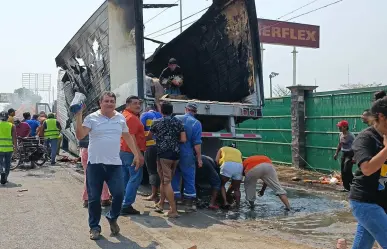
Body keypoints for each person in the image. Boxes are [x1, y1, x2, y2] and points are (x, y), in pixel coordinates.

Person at [75, 91, 143, 240]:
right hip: (95, 165)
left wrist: (136, 154)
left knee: (119, 194)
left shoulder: (120, 118)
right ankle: (94, 227)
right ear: (101, 103)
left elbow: (127, 136)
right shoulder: (91, 118)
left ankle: (112, 217)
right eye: (106, 101)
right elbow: (80, 135)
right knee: (94, 199)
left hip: (114, 165)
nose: (110, 103)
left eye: (112, 101)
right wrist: (78, 115)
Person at [350, 96, 387, 248]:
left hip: (382, 201)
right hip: (366, 202)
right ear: (381, 117)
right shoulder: (365, 138)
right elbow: (367, 169)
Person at [150, 102, 186, 218]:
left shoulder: (156, 122)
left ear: (161, 111)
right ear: (172, 110)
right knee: (164, 180)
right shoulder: (178, 122)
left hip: (163, 155)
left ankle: (173, 210)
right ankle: (160, 204)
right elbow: (183, 139)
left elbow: (149, 136)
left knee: (166, 182)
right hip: (175, 155)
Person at [172, 103, 202, 211]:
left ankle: (175, 201)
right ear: (195, 112)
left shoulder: (175, 118)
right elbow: (197, 144)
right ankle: (189, 204)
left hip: (174, 152)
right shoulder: (196, 123)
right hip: (187, 154)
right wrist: (199, 158)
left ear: (186, 109)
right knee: (189, 177)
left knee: (174, 175)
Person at [120, 96, 146, 215]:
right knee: (135, 178)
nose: (138, 105)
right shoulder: (132, 118)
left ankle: (122, 202)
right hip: (131, 152)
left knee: (125, 178)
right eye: (135, 103)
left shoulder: (124, 115)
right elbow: (132, 137)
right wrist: (139, 155)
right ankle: (126, 205)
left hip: (123, 151)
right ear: (128, 105)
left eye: (139, 103)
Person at [79, 133, 111, 208]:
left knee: (88, 176)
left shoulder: (84, 124)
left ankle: (87, 200)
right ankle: (105, 199)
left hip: (84, 150)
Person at [140, 105, 162, 202]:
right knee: (160, 171)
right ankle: (161, 194)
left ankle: (154, 194)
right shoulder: (160, 115)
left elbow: (140, 130)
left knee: (152, 171)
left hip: (149, 146)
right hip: (161, 146)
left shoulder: (144, 115)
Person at [334, 120, 355, 191]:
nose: (339, 128)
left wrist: (355, 157)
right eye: (339, 126)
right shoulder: (340, 134)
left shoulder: (351, 136)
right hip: (344, 154)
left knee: (347, 170)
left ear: (345, 127)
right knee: (343, 172)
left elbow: (356, 146)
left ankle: (354, 185)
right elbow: (340, 144)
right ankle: (346, 188)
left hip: (350, 154)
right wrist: (336, 153)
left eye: (340, 126)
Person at [0, 111, 16, 185]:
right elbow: (14, 138)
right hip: (9, 148)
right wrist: (15, 147)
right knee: (7, 163)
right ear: (7, 117)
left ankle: (1, 172)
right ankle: (5, 177)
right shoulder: (12, 125)